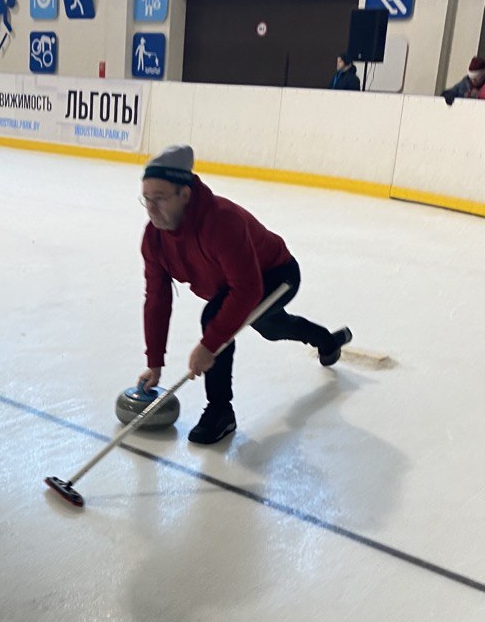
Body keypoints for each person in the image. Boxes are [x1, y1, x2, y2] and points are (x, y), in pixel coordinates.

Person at [137, 145, 352, 444]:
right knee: (273, 327)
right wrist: (154, 362)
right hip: (233, 285)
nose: (151, 209)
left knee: (216, 317)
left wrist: (209, 345)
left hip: (277, 276)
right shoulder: (154, 239)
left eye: (159, 198)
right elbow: (157, 300)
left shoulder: (221, 222)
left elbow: (248, 289)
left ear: (184, 194)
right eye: (146, 199)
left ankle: (220, 412)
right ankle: (328, 341)